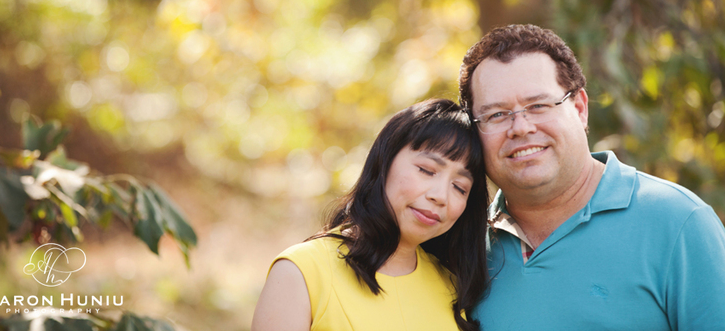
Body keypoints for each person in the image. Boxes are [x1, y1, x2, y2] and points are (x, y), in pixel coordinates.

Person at [458, 24, 725, 330]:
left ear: (580, 108)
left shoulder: (678, 222)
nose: (520, 127)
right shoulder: (463, 247)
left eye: (538, 106)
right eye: (496, 114)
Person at [251, 99, 488, 331]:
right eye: (427, 170)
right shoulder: (300, 273)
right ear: (384, 161)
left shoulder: (452, 287)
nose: (441, 196)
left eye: (460, 187)